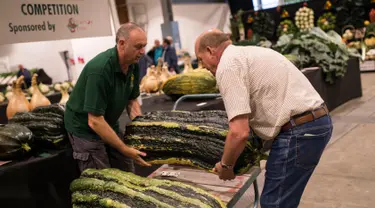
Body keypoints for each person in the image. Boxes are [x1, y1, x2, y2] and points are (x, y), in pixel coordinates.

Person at [194, 29, 333, 208]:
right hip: (315, 124)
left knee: (273, 204)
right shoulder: (249, 52)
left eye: (200, 58)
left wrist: (226, 166)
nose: (202, 66)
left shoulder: (227, 66)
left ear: (210, 51)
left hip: (298, 132)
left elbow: (239, 132)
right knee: (283, 201)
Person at [64, 22, 151, 173]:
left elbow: (132, 101)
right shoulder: (100, 70)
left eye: (144, 45)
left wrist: (142, 130)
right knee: (101, 179)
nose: (143, 51)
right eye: (138, 46)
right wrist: (124, 148)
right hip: (85, 128)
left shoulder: (133, 64)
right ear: (122, 44)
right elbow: (95, 121)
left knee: (126, 168)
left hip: (108, 122)